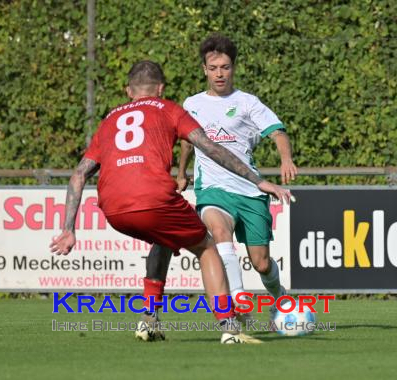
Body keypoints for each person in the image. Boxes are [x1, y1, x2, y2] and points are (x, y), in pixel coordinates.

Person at [49, 60, 293, 344]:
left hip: (113, 209)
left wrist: (69, 228)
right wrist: (257, 180)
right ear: (161, 89)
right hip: (155, 199)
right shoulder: (170, 109)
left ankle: (148, 320)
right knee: (206, 246)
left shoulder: (109, 120)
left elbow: (79, 175)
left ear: (129, 91)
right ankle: (230, 326)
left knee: (163, 240)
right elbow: (211, 148)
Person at [142, 34, 298, 328]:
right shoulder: (192, 103)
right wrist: (182, 171)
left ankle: (281, 298)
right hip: (213, 190)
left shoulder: (248, 102)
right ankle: (237, 298)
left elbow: (277, 132)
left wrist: (285, 158)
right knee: (217, 230)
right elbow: (187, 141)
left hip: (250, 192)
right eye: (213, 68)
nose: (219, 74)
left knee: (262, 263)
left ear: (233, 68)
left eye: (225, 67)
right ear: (204, 69)